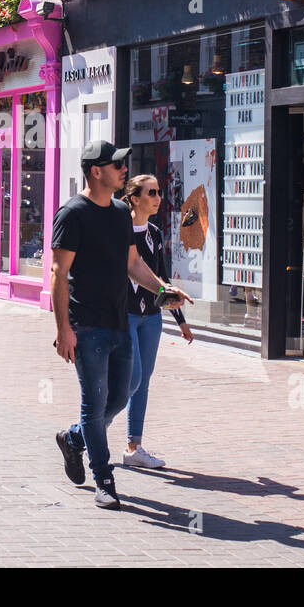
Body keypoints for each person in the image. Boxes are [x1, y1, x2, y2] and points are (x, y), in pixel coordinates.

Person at [51, 140, 190, 509]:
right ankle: (104, 479)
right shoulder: (72, 214)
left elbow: (133, 264)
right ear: (96, 172)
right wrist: (63, 329)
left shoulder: (118, 214)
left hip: (119, 323)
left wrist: (164, 289)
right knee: (94, 405)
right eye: (115, 165)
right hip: (86, 326)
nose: (123, 169)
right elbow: (58, 273)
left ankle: (74, 439)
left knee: (122, 393)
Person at [119, 175, 195, 469]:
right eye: (151, 192)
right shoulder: (119, 231)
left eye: (159, 192)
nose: (158, 197)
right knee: (132, 378)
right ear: (135, 198)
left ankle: (133, 447)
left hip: (150, 317)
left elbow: (162, 278)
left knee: (143, 382)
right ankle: (86, 432)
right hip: (123, 314)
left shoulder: (154, 233)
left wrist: (181, 321)